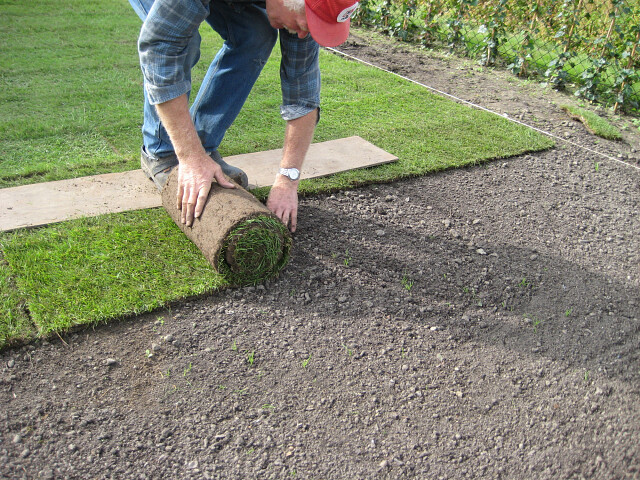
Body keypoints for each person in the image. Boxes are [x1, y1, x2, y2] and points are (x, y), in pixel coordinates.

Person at [129, 0, 359, 232]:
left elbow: (303, 96)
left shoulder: (304, 12)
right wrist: (189, 157)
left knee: (255, 34)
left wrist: (288, 180)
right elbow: (159, 49)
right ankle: (162, 153)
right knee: (183, 40)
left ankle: (203, 148)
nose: (303, 34)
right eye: (306, 23)